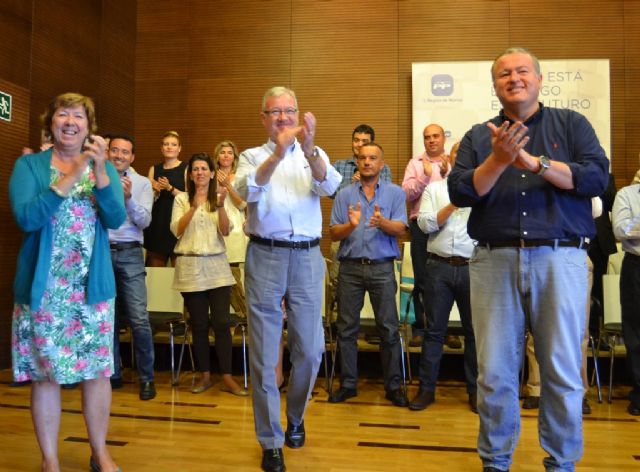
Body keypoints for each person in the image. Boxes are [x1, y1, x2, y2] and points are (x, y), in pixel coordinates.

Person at [448, 47, 608, 471]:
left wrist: (534, 163)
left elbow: (596, 177)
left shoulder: (571, 124)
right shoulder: (478, 136)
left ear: (539, 79)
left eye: (522, 71)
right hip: (493, 261)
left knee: (561, 371)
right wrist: (499, 160)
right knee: (495, 373)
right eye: (504, 74)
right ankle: (496, 460)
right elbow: (461, 191)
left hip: (561, 260)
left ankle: (562, 462)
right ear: (494, 85)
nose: (514, 78)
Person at [9, 92, 126, 472]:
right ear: (51, 121)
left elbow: (115, 218)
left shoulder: (102, 168)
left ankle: (100, 453)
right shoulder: (30, 166)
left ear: (89, 128)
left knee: (97, 373)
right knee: (46, 375)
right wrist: (73, 173)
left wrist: (101, 170)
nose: (71, 122)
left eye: (79, 116)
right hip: (45, 290)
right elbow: (27, 218)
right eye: (64, 114)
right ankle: (50, 460)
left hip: (92, 289)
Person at [235, 86, 341, 472]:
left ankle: (296, 415)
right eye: (275, 111)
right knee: (265, 355)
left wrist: (309, 150)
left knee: (310, 351)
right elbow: (247, 190)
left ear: (298, 116)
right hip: (265, 255)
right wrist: (278, 154)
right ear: (264, 119)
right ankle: (270, 440)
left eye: (289, 110)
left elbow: (330, 186)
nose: (283, 117)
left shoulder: (314, 152)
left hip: (308, 257)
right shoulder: (252, 156)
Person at [328, 142, 408, 407]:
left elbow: (401, 228)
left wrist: (382, 223)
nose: (367, 162)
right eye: (363, 158)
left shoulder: (395, 193)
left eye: (373, 158)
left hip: (382, 267)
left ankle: (394, 386)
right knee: (346, 329)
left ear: (381, 164)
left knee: (388, 328)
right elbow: (333, 233)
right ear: (357, 162)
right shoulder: (344, 195)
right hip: (350, 268)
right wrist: (351, 226)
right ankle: (348, 385)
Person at [170, 153, 248, 397]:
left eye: (204, 168)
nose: (200, 173)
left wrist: (222, 205)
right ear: (190, 174)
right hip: (190, 266)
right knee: (199, 324)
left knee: (222, 323)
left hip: (216, 266)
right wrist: (194, 207)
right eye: (195, 169)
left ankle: (227, 376)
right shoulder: (181, 199)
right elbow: (176, 230)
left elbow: (225, 230)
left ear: (212, 173)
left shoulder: (219, 197)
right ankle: (205, 375)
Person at [410, 141, 478, 412]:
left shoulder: (484, 191)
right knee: (434, 331)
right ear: (450, 158)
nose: (462, 158)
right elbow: (424, 224)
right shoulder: (435, 189)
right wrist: (453, 205)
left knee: (474, 333)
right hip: (438, 267)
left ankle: (475, 391)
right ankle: (426, 390)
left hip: (473, 268)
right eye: (458, 154)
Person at [106, 134, 156, 400]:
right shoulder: (96, 179)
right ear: (108, 152)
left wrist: (128, 199)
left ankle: (147, 378)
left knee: (138, 318)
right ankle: (113, 373)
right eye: (115, 150)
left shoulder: (142, 183)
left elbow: (145, 221)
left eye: (124, 152)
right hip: (102, 252)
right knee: (107, 317)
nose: (119, 156)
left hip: (131, 252)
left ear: (132, 157)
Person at [401, 124, 457, 348]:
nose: (431, 140)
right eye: (427, 137)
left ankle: (445, 329)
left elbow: (461, 190)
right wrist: (424, 177)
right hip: (421, 227)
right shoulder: (415, 163)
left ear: (444, 138)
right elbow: (406, 193)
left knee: (450, 278)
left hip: (449, 226)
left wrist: (446, 174)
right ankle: (420, 328)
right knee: (422, 278)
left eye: (435, 136)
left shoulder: (453, 162)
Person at [611, 175, 640, 416]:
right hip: (636, 267)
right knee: (635, 333)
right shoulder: (626, 195)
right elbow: (620, 230)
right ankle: (639, 394)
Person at [214, 140, 249, 318]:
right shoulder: (209, 176)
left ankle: (243, 315)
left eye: (229, 152)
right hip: (214, 226)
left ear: (234, 157)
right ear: (217, 156)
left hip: (234, 231)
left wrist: (227, 185)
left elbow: (243, 205)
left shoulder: (240, 177)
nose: (226, 155)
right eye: (222, 152)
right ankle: (220, 317)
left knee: (232, 276)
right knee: (215, 277)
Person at [144, 130, 187, 267]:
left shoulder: (186, 168)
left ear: (179, 148)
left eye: (173, 144)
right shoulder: (154, 169)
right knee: (155, 270)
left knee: (179, 270)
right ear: (161, 148)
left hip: (177, 220)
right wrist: (154, 191)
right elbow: (147, 199)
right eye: (166, 144)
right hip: (158, 221)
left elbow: (189, 198)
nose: (169, 147)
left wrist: (170, 188)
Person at [332, 124, 392, 195]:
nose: (360, 144)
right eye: (356, 140)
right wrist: (351, 184)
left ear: (372, 143)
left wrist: (368, 181)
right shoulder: (339, 165)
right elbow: (331, 192)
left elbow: (386, 194)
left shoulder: (383, 168)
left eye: (365, 141)